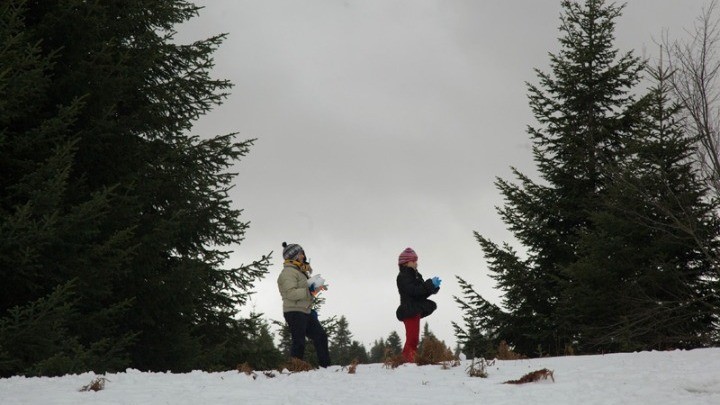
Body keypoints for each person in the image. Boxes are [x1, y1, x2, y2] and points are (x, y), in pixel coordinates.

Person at [277, 242, 331, 368]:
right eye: (301, 253)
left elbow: (303, 289)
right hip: (294, 311)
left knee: (320, 336)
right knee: (299, 342)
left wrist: (316, 286)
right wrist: (310, 291)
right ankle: (295, 368)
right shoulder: (288, 273)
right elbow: (290, 293)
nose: (303, 256)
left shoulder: (299, 271)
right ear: (294, 256)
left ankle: (326, 367)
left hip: (305, 311)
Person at [395, 247, 441, 363]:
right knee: (412, 338)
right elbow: (414, 291)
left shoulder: (416, 275)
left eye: (416, 260)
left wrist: (433, 287)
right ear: (406, 263)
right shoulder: (403, 276)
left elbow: (421, 294)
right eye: (414, 261)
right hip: (409, 309)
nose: (416, 263)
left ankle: (409, 359)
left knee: (414, 338)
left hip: (415, 309)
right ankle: (407, 360)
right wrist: (429, 284)